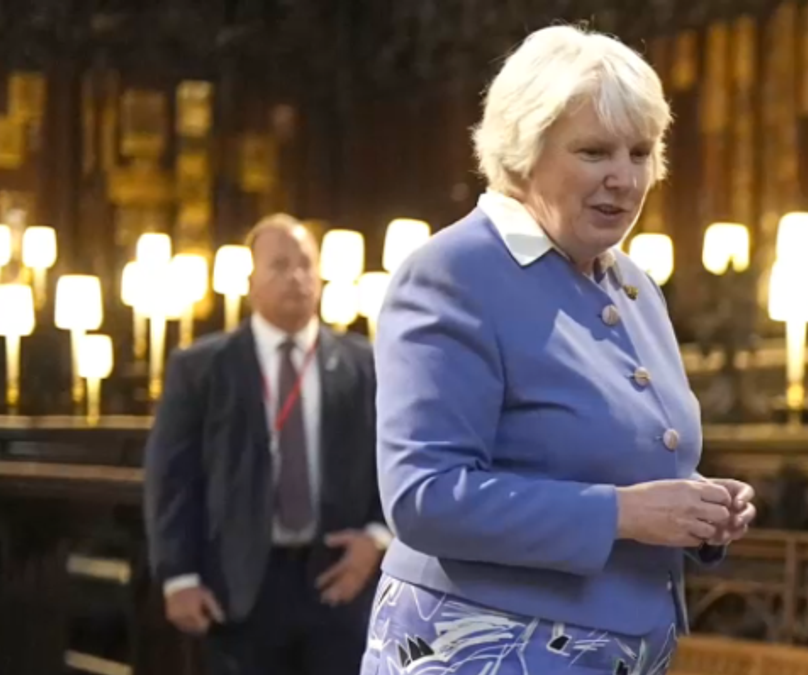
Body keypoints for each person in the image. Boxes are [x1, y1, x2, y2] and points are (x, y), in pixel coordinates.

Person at [364, 25, 757, 675]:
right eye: (595, 152)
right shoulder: (453, 271)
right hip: (480, 649)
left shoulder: (634, 284)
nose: (624, 179)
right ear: (523, 150)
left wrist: (698, 504)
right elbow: (424, 497)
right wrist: (625, 513)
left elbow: (609, 459)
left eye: (641, 152)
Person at [144, 214, 389, 675]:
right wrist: (178, 577)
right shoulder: (201, 367)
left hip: (340, 579)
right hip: (238, 586)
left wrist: (377, 540)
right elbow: (171, 479)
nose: (296, 277)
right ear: (250, 281)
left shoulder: (364, 364)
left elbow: (395, 460)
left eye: (306, 265)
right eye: (279, 265)